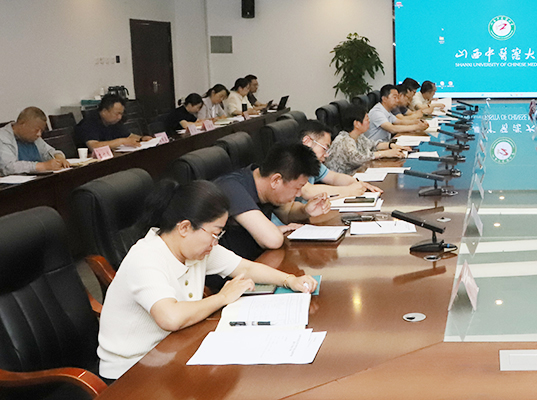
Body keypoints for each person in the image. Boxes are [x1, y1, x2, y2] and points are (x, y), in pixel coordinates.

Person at [97, 179, 316, 380]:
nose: (216, 242)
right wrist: (222, 297)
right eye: (214, 233)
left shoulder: (194, 249)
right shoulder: (146, 258)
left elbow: (246, 267)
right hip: (132, 370)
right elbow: (170, 317)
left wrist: (289, 280)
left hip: (174, 348)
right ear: (184, 227)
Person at [214, 143, 331, 259]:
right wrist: (277, 230)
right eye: (298, 187)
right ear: (276, 180)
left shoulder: (262, 182)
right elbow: (272, 240)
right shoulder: (232, 188)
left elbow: (287, 212)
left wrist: (305, 210)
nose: (299, 194)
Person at [297, 120, 383, 200]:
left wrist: (359, 184)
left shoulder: (313, 163)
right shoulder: (293, 162)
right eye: (325, 148)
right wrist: (349, 190)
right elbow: (307, 191)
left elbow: (334, 178)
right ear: (307, 141)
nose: (326, 154)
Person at [327, 104, 407, 174]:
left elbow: (373, 145)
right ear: (357, 124)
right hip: (341, 180)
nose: (369, 121)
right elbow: (359, 158)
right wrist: (385, 153)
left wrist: (391, 146)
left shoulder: (358, 136)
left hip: (356, 174)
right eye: (366, 119)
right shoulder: (343, 141)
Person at [0, 107, 70, 175]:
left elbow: (48, 151)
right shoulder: (2, 137)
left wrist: (59, 158)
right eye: (36, 130)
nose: (39, 134)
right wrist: (43, 166)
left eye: (41, 131)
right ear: (22, 124)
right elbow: (8, 167)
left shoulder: (33, 137)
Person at [74, 93, 150, 150]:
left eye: (121, 114)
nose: (119, 117)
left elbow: (129, 136)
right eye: (117, 114)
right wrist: (121, 141)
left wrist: (142, 138)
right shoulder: (89, 123)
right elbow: (94, 146)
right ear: (104, 111)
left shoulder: (114, 122)